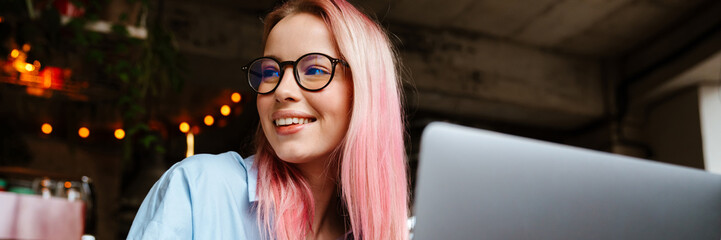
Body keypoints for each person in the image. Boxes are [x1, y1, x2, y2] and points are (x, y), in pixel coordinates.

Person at [127, 0, 409, 239]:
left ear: (364, 90)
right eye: (271, 72)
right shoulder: (200, 189)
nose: (282, 90)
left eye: (314, 69)